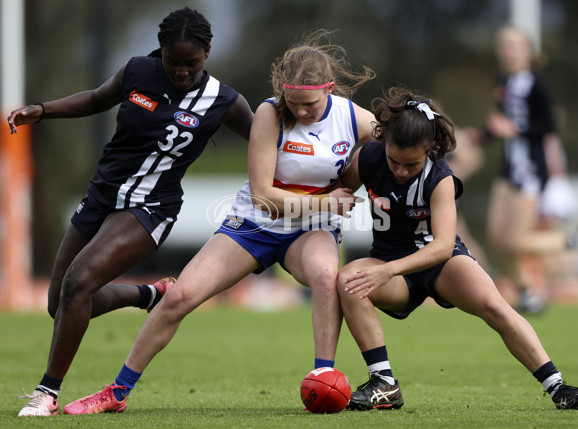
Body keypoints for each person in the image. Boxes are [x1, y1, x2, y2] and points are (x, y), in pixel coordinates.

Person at [60, 29, 376, 415]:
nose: (302, 113)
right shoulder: (269, 114)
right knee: (179, 297)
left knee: (327, 276)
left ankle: (322, 378)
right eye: (294, 103)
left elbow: (396, 150)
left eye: (309, 104)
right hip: (254, 223)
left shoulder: (353, 118)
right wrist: (327, 201)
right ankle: (117, 391)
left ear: (328, 89)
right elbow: (264, 198)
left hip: (310, 230)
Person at [12, 7, 254, 417]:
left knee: (79, 282)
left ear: (207, 54)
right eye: (172, 61)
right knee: (61, 302)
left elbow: (264, 139)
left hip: (150, 207)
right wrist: (42, 109)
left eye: (190, 64)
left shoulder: (225, 101)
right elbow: (94, 99)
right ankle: (150, 294)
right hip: (101, 196)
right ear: (160, 52)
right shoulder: (137, 72)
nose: (180, 71)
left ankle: (45, 394)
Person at [335, 86, 578, 411]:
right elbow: (335, 193)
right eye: (394, 161)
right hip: (394, 269)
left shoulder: (441, 177)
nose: (400, 171)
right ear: (384, 142)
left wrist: (386, 268)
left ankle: (559, 387)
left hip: (439, 263)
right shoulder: (369, 157)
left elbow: (443, 246)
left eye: (411, 164)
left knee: (496, 308)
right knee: (348, 280)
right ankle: (384, 384)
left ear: (429, 149)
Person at [483, 25, 578, 313]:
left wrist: (515, 129)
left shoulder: (536, 84)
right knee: (496, 238)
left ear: (528, 51)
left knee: (514, 241)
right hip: (508, 168)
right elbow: (502, 122)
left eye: (514, 45)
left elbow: (548, 127)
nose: (508, 51)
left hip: (531, 169)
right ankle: (527, 293)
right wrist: (483, 135)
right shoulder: (504, 81)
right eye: (504, 45)